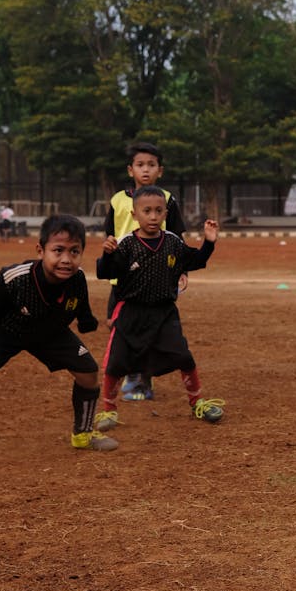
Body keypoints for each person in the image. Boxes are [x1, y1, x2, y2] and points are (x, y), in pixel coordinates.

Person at [0, 214, 116, 459]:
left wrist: (87, 321)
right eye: (58, 250)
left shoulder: (77, 278)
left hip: (49, 332)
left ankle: (82, 434)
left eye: (74, 252)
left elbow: (80, 303)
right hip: (5, 330)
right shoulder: (16, 277)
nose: (66, 260)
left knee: (88, 373)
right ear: (41, 250)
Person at [93, 185, 224, 434]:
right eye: (147, 211)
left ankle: (198, 402)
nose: (153, 216)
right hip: (130, 313)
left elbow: (196, 261)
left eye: (158, 211)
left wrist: (209, 243)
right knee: (116, 363)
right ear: (134, 214)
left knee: (184, 356)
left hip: (164, 313)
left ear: (165, 214)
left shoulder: (172, 242)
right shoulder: (125, 244)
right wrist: (108, 254)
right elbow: (104, 272)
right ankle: (109, 410)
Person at [105, 141, 188, 401]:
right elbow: (110, 234)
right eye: (140, 165)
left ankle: (143, 380)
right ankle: (129, 374)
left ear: (159, 171)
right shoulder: (118, 200)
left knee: (152, 328)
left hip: (156, 277)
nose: (145, 170)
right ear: (130, 170)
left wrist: (181, 270)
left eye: (151, 165)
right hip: (123, 277)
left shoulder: (167, 200)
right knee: (119, 327)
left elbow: (178, 237)